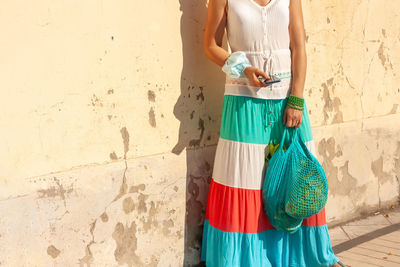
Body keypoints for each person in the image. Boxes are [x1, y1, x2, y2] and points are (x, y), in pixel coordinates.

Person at [200, 0, 345, 266]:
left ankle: (309, 255)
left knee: (295, 177)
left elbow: (298, 47)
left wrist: (296, 100)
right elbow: (211, 45)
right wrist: (243, 69)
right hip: (243, 101)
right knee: (246, 181)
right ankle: (248, 259)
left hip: (286, 102)